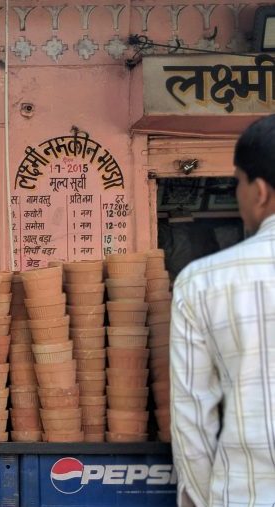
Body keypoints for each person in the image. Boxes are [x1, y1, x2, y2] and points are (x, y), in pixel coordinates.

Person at [171, 114, 275, 507]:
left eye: (238, 183)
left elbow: (192, 417)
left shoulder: (203, 283)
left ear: (260, 191)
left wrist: (201, 497)